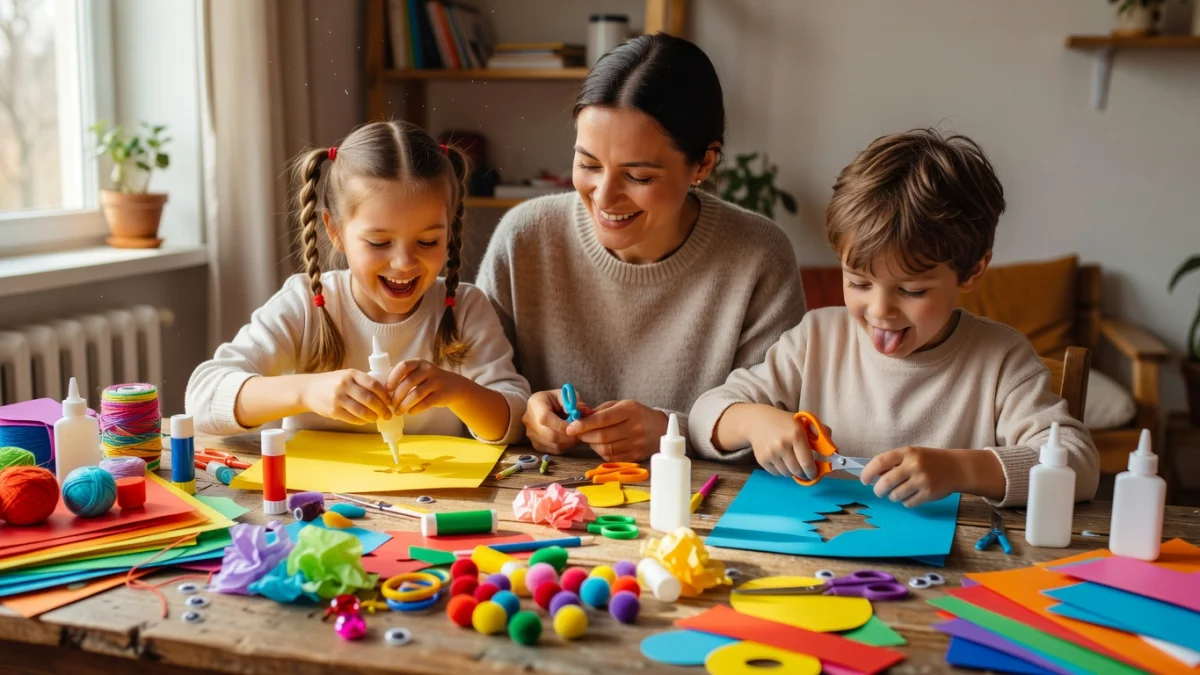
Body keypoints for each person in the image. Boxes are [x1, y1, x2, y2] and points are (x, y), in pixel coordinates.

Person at [689, 129, 1098, 507]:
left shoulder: (1001, 360)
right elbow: (706, 413)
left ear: (973, 270)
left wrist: (961, 469)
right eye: (859, 283)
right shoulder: (816, 340)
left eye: (912, 291)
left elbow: (1078, 464)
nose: (880, 310)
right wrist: (755, 422)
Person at [476, 33, 805, 462]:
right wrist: (522, 414)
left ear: (704, 163)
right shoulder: (524, 237)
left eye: (639, 177)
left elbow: (776, 424)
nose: (604, 196)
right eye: (588, 164)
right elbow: (474, 381)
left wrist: (671, 433)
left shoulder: (759, 257)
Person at [186, 121, 529, 444]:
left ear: (449, 228)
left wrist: (460, 392)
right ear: (335, 231)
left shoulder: (466, 309)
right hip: (316, 501)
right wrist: (306, 391)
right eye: (379, 243)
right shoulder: (304, 303)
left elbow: (517, 419)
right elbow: (203, 399)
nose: (404, 263)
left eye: (427, 242)